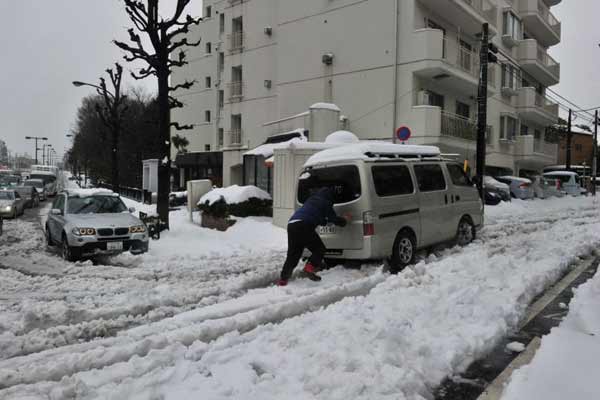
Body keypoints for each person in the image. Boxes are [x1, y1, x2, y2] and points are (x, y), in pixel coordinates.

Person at [278, 187, 348, 286]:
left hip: (292, 224)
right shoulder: (326, 202)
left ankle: (283, 280)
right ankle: (309, 269)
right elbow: (333, 218)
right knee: (319, 249)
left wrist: (325, 221)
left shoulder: (312, 200)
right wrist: (343, 221)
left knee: (293, 255)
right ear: (331, 196)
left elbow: (318, 217)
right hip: (304, 225)